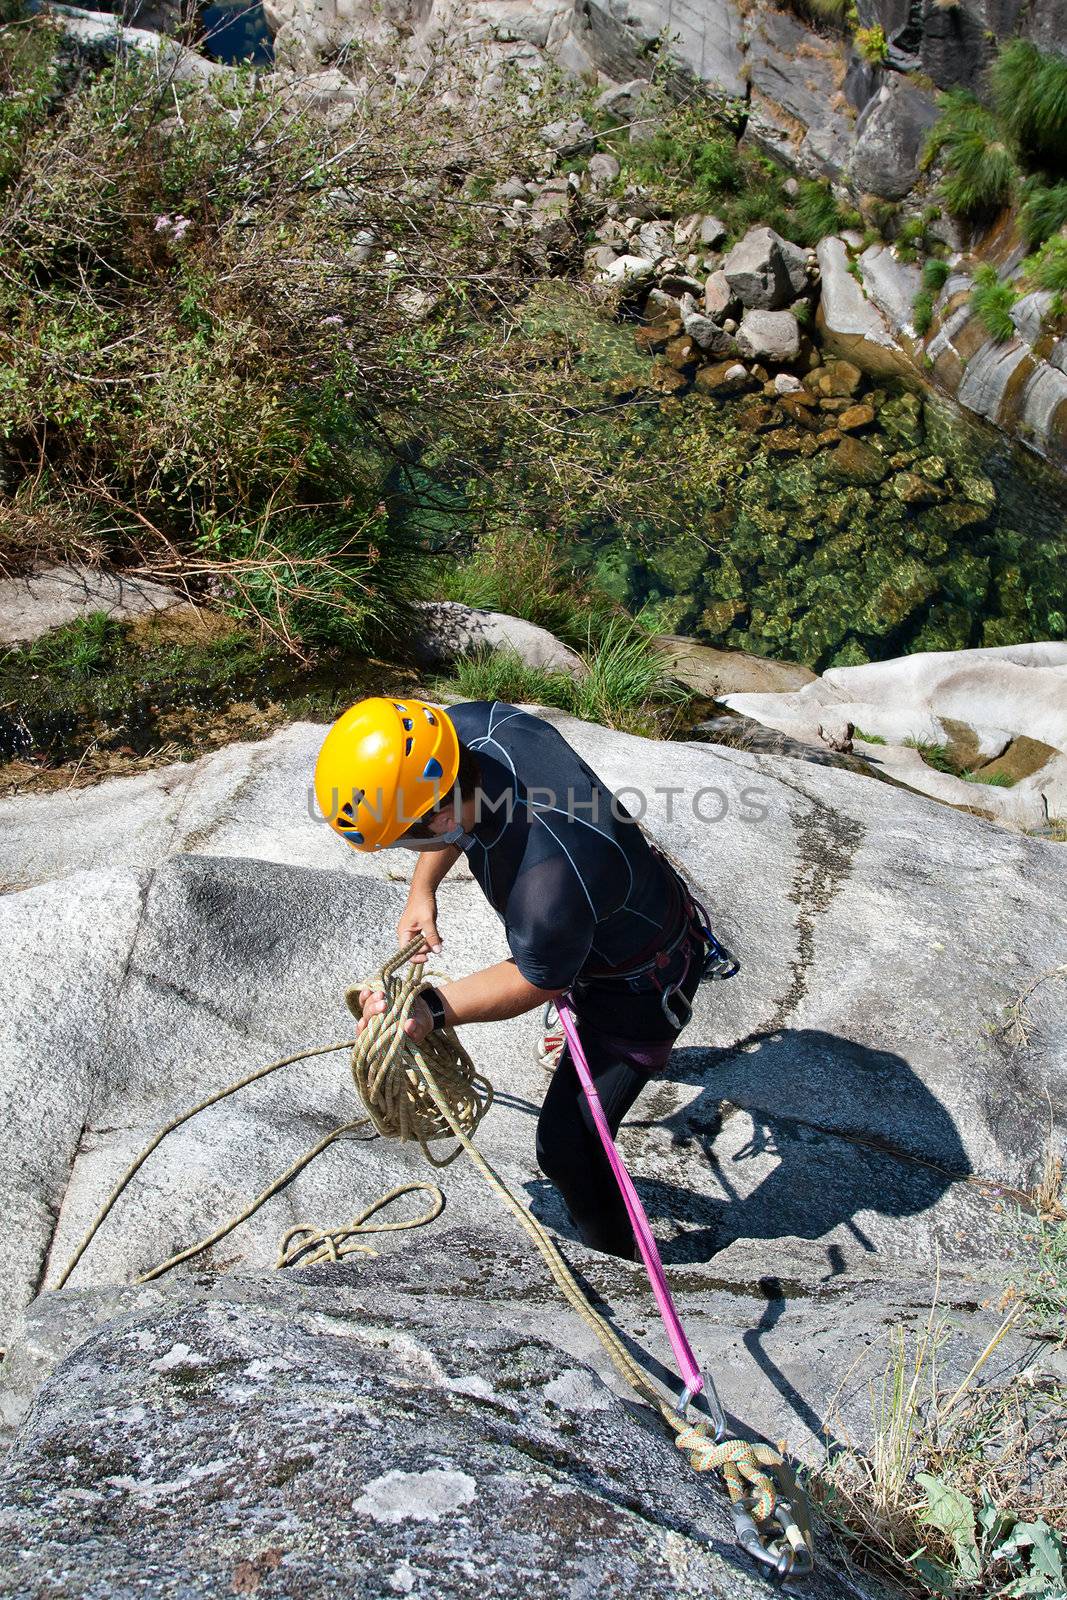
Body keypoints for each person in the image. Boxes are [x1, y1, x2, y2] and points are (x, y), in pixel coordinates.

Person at [314, 694, 725, 1260]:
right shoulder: (469, 728)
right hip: (611, 906)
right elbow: (450, 817)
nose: (411, 848)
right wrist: (421, 889)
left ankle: (623, 1264)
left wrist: (427, 1011)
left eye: (407, 838)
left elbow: (539, 979)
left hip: (638, 983)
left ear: (436, 814)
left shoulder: (547, 883)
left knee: (567, 1148)